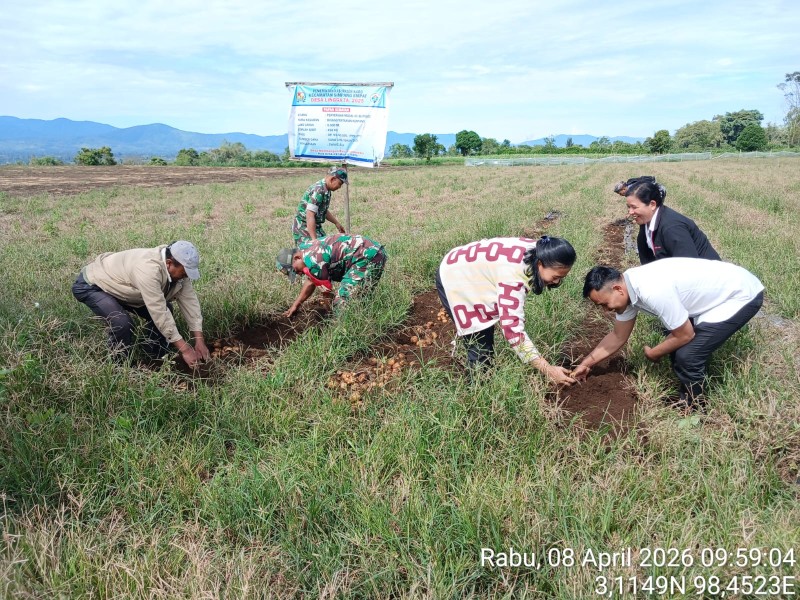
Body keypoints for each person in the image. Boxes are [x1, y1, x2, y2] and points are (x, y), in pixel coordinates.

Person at [574, 259, 764, 409]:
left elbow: (684, 334)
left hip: (740, 295)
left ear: (617, 289)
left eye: (605, 304)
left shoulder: (651, 289)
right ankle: (689, 394)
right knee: (679, 347)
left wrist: (654, 353)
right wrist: (585, 364)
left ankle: (694, 409)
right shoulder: (627, 289)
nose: (606, 310)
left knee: (688, 355)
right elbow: (617, 336)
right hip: (717, 294)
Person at [436, 236, 577, 385]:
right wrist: (548, 370)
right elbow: (513, 330)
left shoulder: (543, 249)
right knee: (479, 344)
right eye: (555, 277)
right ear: (540, 263)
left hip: (471, 268)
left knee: (486, 336)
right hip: (455, 276)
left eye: (562, 278)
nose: (556, 282)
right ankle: (478, 392)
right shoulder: (513, 278)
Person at [72, 241, 210, 367]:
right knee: (122, 323)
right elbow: (158, 312)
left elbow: (190, 302)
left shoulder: (179, 268)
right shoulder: (148, 269)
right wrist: (185, 349)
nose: (185, 277)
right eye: (184, 273)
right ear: (168, 263)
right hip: (94, 285)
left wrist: (199, 341)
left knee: (167, 307)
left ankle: (158, 357)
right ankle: (118, 367)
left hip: (123, 286)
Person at [613, 176, 720, 264]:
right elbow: (648, 261)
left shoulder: (672, 228)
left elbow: (689, 270)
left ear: (652, 204)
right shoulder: (646, 223)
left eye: (634, 207)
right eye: (629, 207)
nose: (630, 212)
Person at [276, 234, 387, 317]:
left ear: (296, 258)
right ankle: (365, 318)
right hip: (372, 253)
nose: (298, 274)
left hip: (367, 257)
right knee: (359, 297)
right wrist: (296, 304)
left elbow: (327, 293)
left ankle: (344, 332)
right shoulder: (305, 249)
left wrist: (330, 316)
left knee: (342, 300)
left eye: (295, 271)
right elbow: (311, 280)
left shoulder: (314, 261)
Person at [292, 166, 348, 246]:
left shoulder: (326, 190)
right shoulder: (319, 190)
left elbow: (323, 210)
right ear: (332, 179)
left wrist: (336, 223)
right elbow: (310, 215)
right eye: (340, 184)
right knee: (311, 253)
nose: (339, 187)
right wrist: (314, 240)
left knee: (326, 248)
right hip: (304, 227)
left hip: (315, 226)